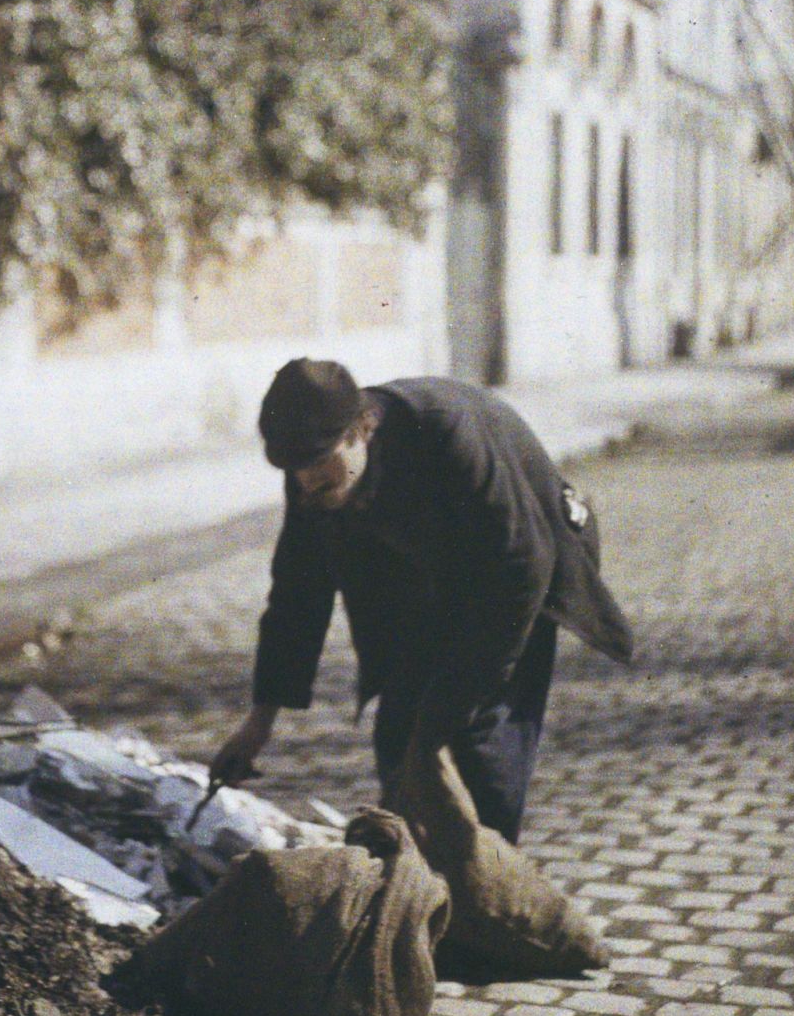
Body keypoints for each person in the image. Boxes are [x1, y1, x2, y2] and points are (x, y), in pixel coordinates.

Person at [210, 358, 635, 843]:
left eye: (320, 473)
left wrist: (445, 720)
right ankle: (417, 879)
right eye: (297, 475)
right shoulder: (311, 461)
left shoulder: (447, 432)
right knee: (399, 732)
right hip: (429, 581)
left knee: (481, 745)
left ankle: (482, 884)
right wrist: (258, 723)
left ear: (361, 430)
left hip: (520, 566)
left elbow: (518, 570)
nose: (307, 486)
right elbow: (297, 591)